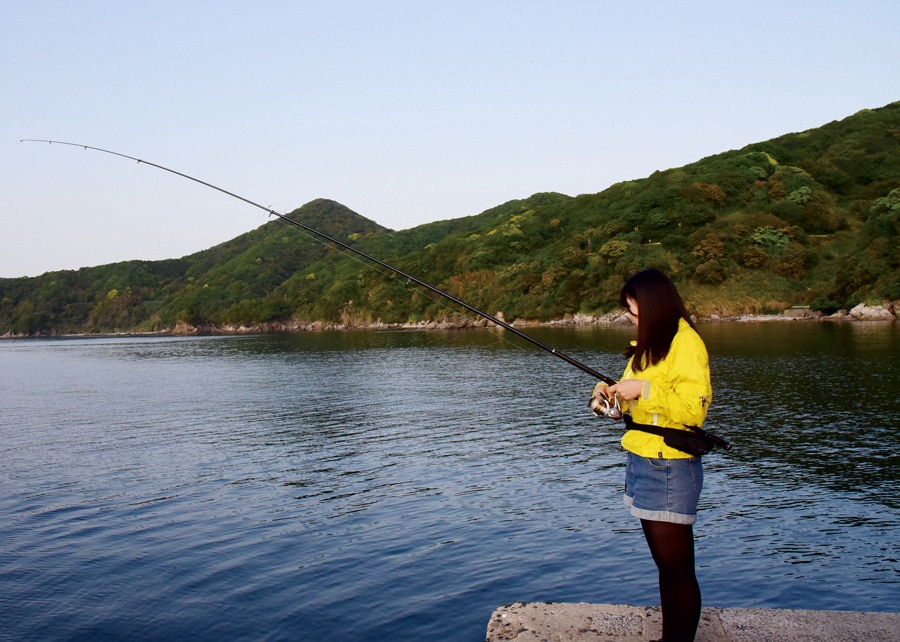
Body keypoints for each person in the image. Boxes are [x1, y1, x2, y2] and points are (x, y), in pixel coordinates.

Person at [591, 269, 712, 642]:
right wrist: (610, 397)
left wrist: (641, 388)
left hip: (670, 466)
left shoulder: (686, 343)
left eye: (634, 309)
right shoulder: (650, 344)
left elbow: (694, 410)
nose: (630, 316)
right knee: (665, 567)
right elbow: (640, 404)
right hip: (644, 460)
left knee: (678, 570)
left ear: (655, 305)